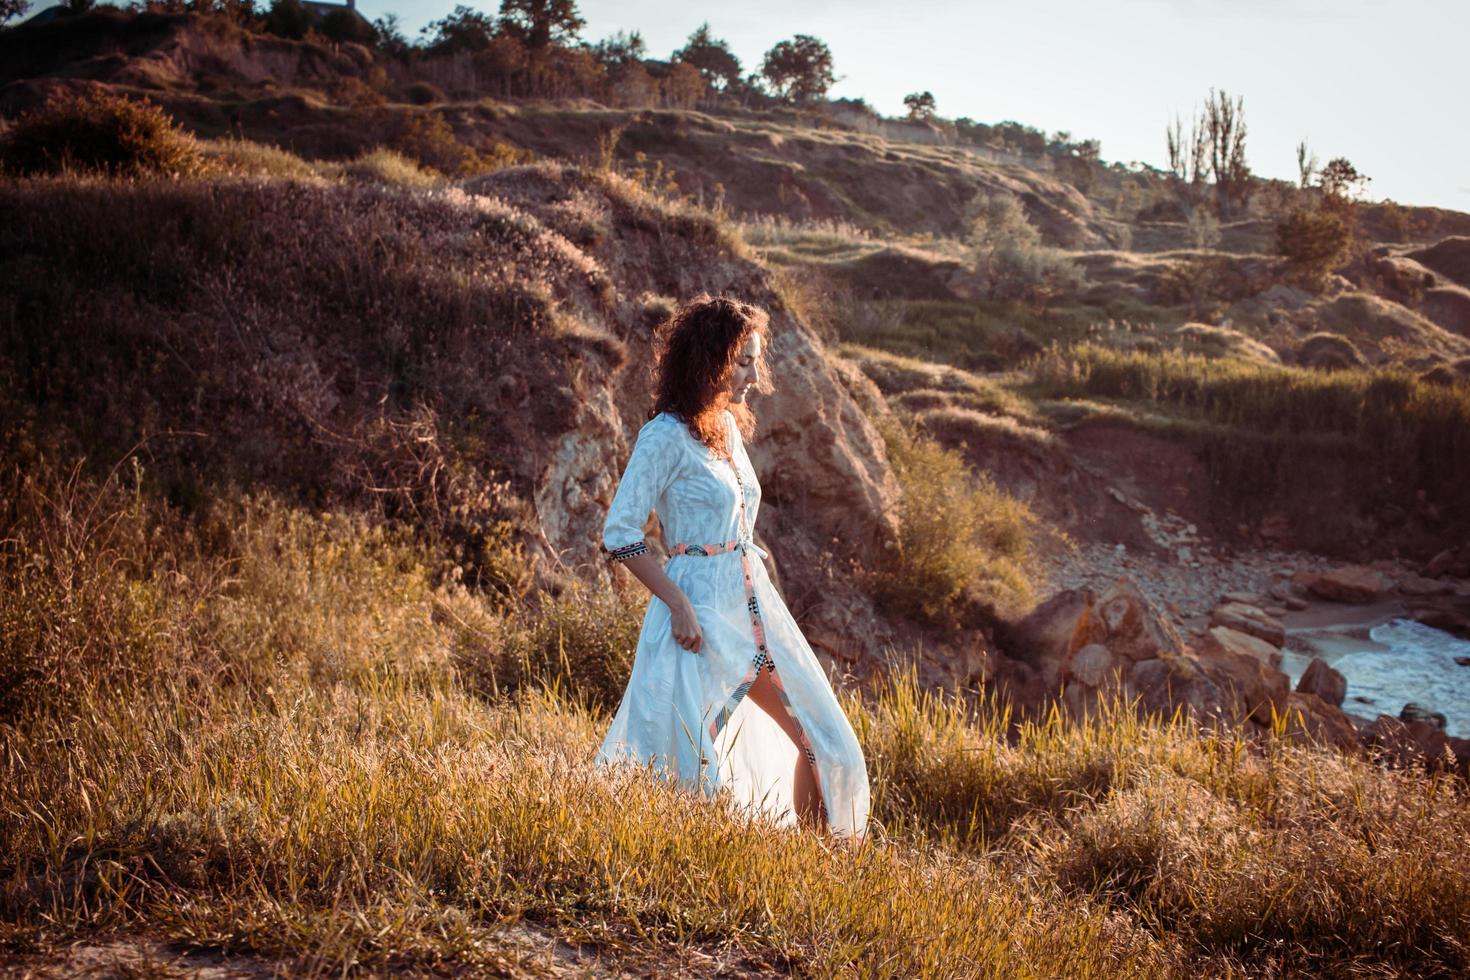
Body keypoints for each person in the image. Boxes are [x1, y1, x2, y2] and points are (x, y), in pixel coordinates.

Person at [592, 295, 870, 847]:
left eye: (755, 360)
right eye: (744, 360)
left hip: (753, 606)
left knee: (827, 739)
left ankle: (823, 869)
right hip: (698, 616)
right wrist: (677, 604)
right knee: (688, 768)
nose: (754, 375)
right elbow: (619, 535)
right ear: (709, 359)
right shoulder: (663, 437)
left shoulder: (726, 429)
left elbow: (738, 528)